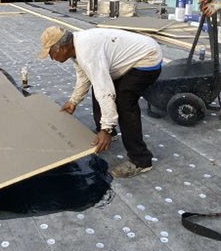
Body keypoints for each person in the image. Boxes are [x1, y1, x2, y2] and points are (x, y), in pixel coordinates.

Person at [40, 26, 163, 178]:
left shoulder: (87, 53)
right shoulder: (75, 46)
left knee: (124, 101)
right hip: (131, 56)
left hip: (147, 58)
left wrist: (106, 127)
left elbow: (105, 91)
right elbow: (85, 76)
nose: (51, 58)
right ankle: (109, 133)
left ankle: (141, 160)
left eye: (51, 53)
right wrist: (74, 101)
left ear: (63, 48)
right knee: (99, 87)